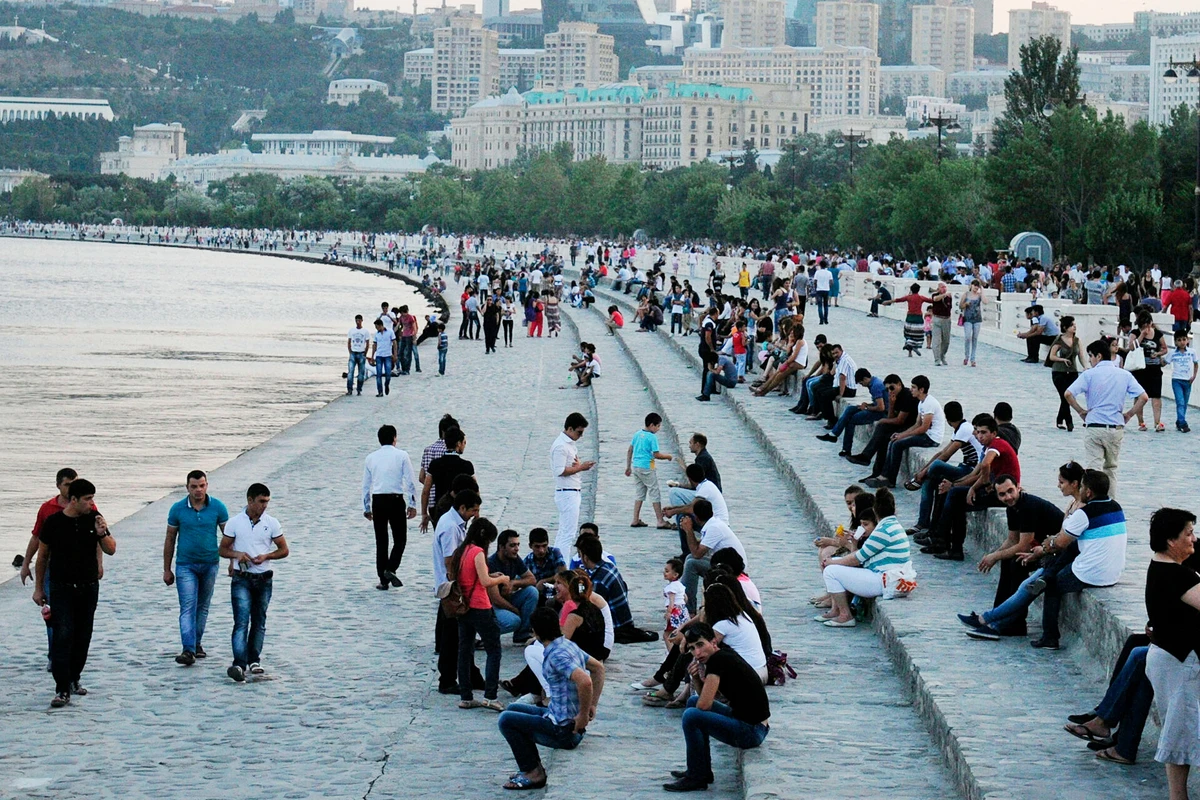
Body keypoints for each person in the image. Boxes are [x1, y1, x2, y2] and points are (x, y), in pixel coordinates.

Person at [964, 469, 1125, 649]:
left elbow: (1060, 543)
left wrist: (1047, 545)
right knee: (1035, 579)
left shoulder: (1085, 513)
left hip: (1091, 572)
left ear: (1088, 492)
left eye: (1082, 487)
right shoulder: (1116, 507)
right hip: (1112, 572)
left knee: (1048, 584)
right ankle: (992, 622)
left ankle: (1047, 636)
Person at [497, 607, 606, 791]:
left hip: (564, 731)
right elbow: (598, 669)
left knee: (506, 720)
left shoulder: (556, 655)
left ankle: (533, 772)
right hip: (558, 716)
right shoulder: (568, 645)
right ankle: (533, 766)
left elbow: (585, 681)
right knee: (513, 710)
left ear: (536, 632)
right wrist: (591, 705)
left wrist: (582, 715)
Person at [31, 479, 116, 708]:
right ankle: (61, 688)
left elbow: (111, 549)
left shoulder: (94, 519)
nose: (91, 503)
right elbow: (43, 557)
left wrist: (102, 533)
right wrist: (39, 588)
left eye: (92, 498)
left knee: (82, 635)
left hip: (88, 586)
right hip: (61, 587)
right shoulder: (54, 522)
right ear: (74, 499)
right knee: (62, 634)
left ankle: (74, 678)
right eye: (87, 499)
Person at [662, 623, 770, 792]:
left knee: (691, 716)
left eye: (700, 645)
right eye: (692, 649)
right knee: (692, 703)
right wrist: (696, 678)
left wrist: (701, 685)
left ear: (713, 642)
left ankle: (697, 777)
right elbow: (707, 698)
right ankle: (700, 769)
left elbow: (704, 705)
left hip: (752, 730)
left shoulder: (719, 660)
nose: (697, 653)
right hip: (748, 721)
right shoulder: (723, 655)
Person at [955, 476, 1064, 636]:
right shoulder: (1012, 508)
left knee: (1018, 563)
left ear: (1018, 487)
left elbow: (1023, 545)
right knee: (1008, 561)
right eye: (1002, 494)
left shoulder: (1028, 506)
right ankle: (999, 615)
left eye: (1010, 491)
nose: (1008, 497)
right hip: (1042, 549)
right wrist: (994, 555)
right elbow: (1012, 539)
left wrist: (995, 556)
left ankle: (1014, 623)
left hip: (1057, 553)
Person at [1143, 507, 1200, 799]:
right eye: (1189, 533)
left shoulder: (1163, 563)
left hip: (1166, 657)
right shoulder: (1175, 575)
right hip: (1178, 661)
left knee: (1178, 729)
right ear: (1171, 541)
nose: (1194, 539)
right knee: (1179, 734)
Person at [21, 468, 101, 671]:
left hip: (83, 575)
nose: (70, 486)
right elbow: (37, 539)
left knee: (79, 627)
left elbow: (98, 540)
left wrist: (99, 563)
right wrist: (25, 565)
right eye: (67, 484)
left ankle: (67, 664)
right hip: (52, 570)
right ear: (59, 486)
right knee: (56, 618)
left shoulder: (88, 507)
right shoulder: (48, 509)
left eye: (73, 482)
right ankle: (56, 657)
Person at [920, 413, 1020, 560]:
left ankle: (942, 541)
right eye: (978, 432)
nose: (980, 436)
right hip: (994, 490)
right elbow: (976, 474)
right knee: (954, 497)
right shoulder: (987, 448)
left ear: (994, 433)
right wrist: (958, 485)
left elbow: (985, 466)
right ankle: (949, 545)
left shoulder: (996, 445)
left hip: (1004, 494)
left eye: (984, 433)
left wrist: (979, 484)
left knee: (954, 495)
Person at [218, 483, 288, 682]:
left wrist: (267, 556)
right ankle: (239, 663)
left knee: (259, 620)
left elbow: (284, 549)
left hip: (264, 578)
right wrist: (237, 554)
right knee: (241, 621)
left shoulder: (272, 523)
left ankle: (254, 659)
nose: (264, 506)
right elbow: (222, 549)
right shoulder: (234, 522)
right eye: (261, 501)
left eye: (267, 502)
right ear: (250, 500)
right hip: (242, 578)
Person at [1065, 339, 1149, 497]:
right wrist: (1129, 414)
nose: (1090, 360)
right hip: (1115, 426)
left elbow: (1068, 394)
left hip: (1095, 425)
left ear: (1098, 356)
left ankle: (1093, 500)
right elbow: (1143, 397)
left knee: (1093, 468)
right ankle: (1110, 501)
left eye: (1091, 356)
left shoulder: (1089, 374)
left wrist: (1081, 411)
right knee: (1111, 468)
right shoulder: (1124, 374)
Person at [818, 489, 914, 628]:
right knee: (836, 567)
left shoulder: (883, 530)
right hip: (892, 578)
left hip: (885, 580)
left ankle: (845, 615)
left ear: (875, 511)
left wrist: (832, 562)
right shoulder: (893, 525)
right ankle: (837, 610)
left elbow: (857, 558)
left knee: (831, 571)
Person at [164, 470, 229, 665]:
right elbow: (170, 539)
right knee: (188, 606)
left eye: (201, 486)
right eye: (194, 486)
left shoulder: (218, 507)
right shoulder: (177, 509)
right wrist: (167, 569)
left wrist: (234, 562)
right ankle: (188, 649)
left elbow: (229, 537)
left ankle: (196, 643)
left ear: (207, 485)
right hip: (185, 565)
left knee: (203, 606)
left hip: (210, 563)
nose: (198, 490)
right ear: (187, 488)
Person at [452, 516, 509, 712]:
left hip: (464, 607)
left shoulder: (462, 550)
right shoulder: (477, 552)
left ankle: (465, 696)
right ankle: (490, 696)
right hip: (480, 606)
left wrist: (491, 576)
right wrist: (502, 579)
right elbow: (484, 582)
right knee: (494, 650)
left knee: (465, 651)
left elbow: (472, 576)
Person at [904, 401, 979, 537]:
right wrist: (924, 469)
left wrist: (924, 472)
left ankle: (923, 522)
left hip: (972, 471)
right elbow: (942, 452)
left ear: (947, 419)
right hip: (966, 468)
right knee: (930, 479)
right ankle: (922, 523)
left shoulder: (965, 429)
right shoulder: (961, 428)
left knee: (936, 467)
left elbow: (946, 456)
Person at [433, 490, 482, 694]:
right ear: (462, 508)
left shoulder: (453, 521)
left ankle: (469, 674)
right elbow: (450, 561)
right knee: (452, 637)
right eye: (473, 510)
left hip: (451, 588)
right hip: (452, 589)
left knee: (462, 634)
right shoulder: (451, 527)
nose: (475, 514)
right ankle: (447, 680)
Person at [363, 424, 418, 591]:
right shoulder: (402, 455)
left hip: (378, 500)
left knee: (381, 541)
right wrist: (412, 504)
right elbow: (410, 481)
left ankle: (383, 580)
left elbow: (366, 485)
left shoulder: (371, 458)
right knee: (400, 539)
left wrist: (366, 507)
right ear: (394, 438)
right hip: (395, 499)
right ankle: (391, 568)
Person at [864, 375, 944, 490]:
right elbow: (917, 424)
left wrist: (903, 436)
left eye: (914, 387)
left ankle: (890, 479)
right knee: (894, 441)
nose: (911, 389)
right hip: (926, 435)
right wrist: (901, 435)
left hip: (931, 439)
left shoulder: (929, 403)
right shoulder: (922, 403)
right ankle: (884, 475)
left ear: (921, 390)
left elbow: (924, 428)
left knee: (897, 444)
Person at [679, 498, 747, 616]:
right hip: (724, 563)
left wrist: (689, 530)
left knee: (691, 563)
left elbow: (697, 553)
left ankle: (689, 610)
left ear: (696, 517)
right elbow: (697, 548)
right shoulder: (713, 523)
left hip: (732, 569)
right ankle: (687, 604)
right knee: (689, 558)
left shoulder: (714, 528)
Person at [550, 413, 595, 554]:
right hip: (567, 492)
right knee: (567, 534)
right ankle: (563, 565)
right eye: (579, 432)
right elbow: (560, 470)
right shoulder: (561, 446)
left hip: (571, 491)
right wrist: (581, 468)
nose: (580, 436)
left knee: (564, 532)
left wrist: (578, 466)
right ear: (570, 428)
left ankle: (558, 562)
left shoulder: (569, 445)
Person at [817, 368, 887, 454]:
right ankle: (834, 435)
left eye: (861, 383)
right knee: (850, 409)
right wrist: (866, 405)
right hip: (878, 409)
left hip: (882, 413)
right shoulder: (874, 382)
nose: (862, 385)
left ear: (865, 379)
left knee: (851, 420)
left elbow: (881, 408)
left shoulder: (875, 386)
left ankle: (845, 448)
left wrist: (866, 408)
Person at [488, 529, 539, 644]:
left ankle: (522, 635)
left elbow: (532, 579)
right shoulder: (491, 563)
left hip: (507, 599)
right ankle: (486, 633)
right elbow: (495, 599)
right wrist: (514, 609)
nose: (516, 549)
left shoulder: (515, 558)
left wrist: (513, 583)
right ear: (501, 547)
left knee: (532, 592)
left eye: (518, 545)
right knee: (513, 621)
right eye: (512, 545)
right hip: (492, 606)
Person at [421, 427, 474, 534]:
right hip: (461, 509)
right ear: (458, 443)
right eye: (464, 442)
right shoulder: (466, 466)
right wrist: (476, 512)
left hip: (440, 508)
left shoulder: (435, 464)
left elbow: (426, 491)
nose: (464, 445)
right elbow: (475, 490)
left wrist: (424, 513)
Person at [627, 413, 674, 528]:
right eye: (658, 426)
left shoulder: (637, 434)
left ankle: (635, 519)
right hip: (647, 467)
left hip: (636, 467)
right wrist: (668, 456)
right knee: (654, 493)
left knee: (640, 493)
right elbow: (656, 454)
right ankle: (660, 520)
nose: (658, 429)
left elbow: (630, 450)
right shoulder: (652, 437)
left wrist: (628, 466)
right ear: (652, 425)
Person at [1128, 313, 1169, 432]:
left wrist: (1158, 354)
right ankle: (1141, 422)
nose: (1146, 328)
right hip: (1140, 369)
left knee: (1156, 396)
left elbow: (1164, 348)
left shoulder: (1158, 334)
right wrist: (1141, 335)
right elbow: (1131, 347)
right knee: (1140, 396)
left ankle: (1157, 422)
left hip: (1154, 368)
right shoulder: (1135, 333)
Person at [1048, 316, 1087, 431]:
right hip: (1059, 372)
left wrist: (1085, 367)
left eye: (1074, 325)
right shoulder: (1059, 339)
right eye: (1071, 325)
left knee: (1068, 396)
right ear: (1065, 327)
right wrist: (1062, 360)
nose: (1074, 327)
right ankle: (1069, 421)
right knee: (1064, 396)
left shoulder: (1077, 340)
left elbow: (1081, 356)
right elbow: (1052, 356)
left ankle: (1060, 419)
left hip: (1072, 372)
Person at [884, 283, 931, 356]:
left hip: (910, 316)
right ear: (918, 290)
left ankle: (910, 352)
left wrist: (887, 301)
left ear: (911, 290)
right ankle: (915, 346)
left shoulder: (909, 297)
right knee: (917, 334)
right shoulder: (921, 298)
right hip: (918, 317)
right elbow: (931, 300)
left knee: (908, 333)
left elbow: (898, 300)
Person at [524, 527, 566, 604]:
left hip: (556, 593)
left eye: (544, 546)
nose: (541, 550)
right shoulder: (527, 561)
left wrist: (544, 581)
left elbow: (563, 574)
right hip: (537, 596)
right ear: (530, 546)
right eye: (537, 546)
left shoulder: (555, 553)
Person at [1169, 329, 1198, 432]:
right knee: (1180, 401)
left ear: (1187, 340)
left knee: (1185, 403)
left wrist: (1194, 376)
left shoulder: (1192, 352)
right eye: (1179, 340)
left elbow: (1195, 364)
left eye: (1184, 339)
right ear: (1175, 342)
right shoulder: (1173, 353)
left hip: (1188, 380)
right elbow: (1165, 362)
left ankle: (1179, 420)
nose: (1182, 342)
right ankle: (1183, 423)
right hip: (1177, 380)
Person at [960, 280, 984, 367]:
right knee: (967, 337)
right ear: (971, 285)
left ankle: (973, 358)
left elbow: (985, 301)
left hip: (977, 319)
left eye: (977, 286)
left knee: (975, 338)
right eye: (975, 285)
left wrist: (982, 291)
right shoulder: (966, 294)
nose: (976, 287)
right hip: (968, 319)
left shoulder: (979, 295)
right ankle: (966, 356)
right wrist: (966, 304)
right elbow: (960, 306)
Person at [368, 318, 395, 397]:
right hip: (379, 355)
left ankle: (386, 384)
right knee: (378, 374)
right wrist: (372, 356)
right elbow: (374, 345)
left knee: (388, 374)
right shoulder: (377, 334)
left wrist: (395, 354)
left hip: (387, 355)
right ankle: (380, 392)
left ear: (380, 325)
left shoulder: (390, 332)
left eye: (377, 327)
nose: (376, 328)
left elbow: (394, 343)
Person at [347, 314, 369, 395]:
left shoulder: (365, 331)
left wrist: (365, 353)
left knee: (361, 373)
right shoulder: (351, 330)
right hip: (353, 353)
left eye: (359, 320)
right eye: (357, 320)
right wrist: (350, 351)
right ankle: (349, 389)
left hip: (361, 353)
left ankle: (359, 389)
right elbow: (349, 341)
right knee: (350, 372)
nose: (358, 322)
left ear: (362, 321)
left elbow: (367, 343)